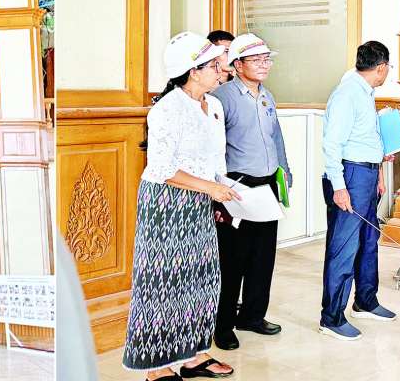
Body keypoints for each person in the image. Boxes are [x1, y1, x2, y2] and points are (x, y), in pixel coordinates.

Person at [123, 32, 240, 380]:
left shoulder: (214, 106)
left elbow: (216, 159)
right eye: (214, 66)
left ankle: (193, 354)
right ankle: (156, 368)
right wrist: (211, 188)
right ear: (193, 71)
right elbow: (162, 168)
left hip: (201, 201)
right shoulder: (167, 109)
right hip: (166, 203)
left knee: (201, 278)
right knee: (162, 281)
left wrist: (223, 191)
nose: (222, 70)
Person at [209, 33, 290, 350]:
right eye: (256, 60)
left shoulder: (268, 96)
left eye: (267, 59)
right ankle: (223, 325)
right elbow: (214, 147)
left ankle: (253, 316)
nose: (264, 65)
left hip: (267, 186)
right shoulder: (222, 97)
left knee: (263, 257)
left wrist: (285, 171)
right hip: (236, 188)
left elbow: (276, 138)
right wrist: (217, 188)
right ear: (237, 64)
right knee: (233, 261)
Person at [318, 41, 398, 341]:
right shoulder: (347, 93)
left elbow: (363, 137)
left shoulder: (365, 92)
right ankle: (331, 317)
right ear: (382, 68)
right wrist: (340, 187)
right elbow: (332, 144)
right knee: (344, 247)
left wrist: (377, 171)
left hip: (366, 174)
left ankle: (365, 300)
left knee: (368, 240)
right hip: (350, 175)